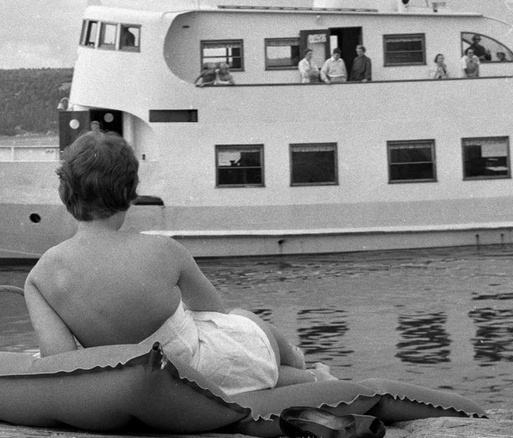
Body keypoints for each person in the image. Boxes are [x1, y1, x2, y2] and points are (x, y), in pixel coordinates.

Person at [23, 132, 328, 397]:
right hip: (200, 367)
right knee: (242, 319)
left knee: (234, 355)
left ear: (66, 193)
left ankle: (310, 377)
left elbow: (58, 360)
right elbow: (215, 314)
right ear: (131, 194)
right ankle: (305, 367)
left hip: (144, 383)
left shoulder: (40, 278)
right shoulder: (164, 250)